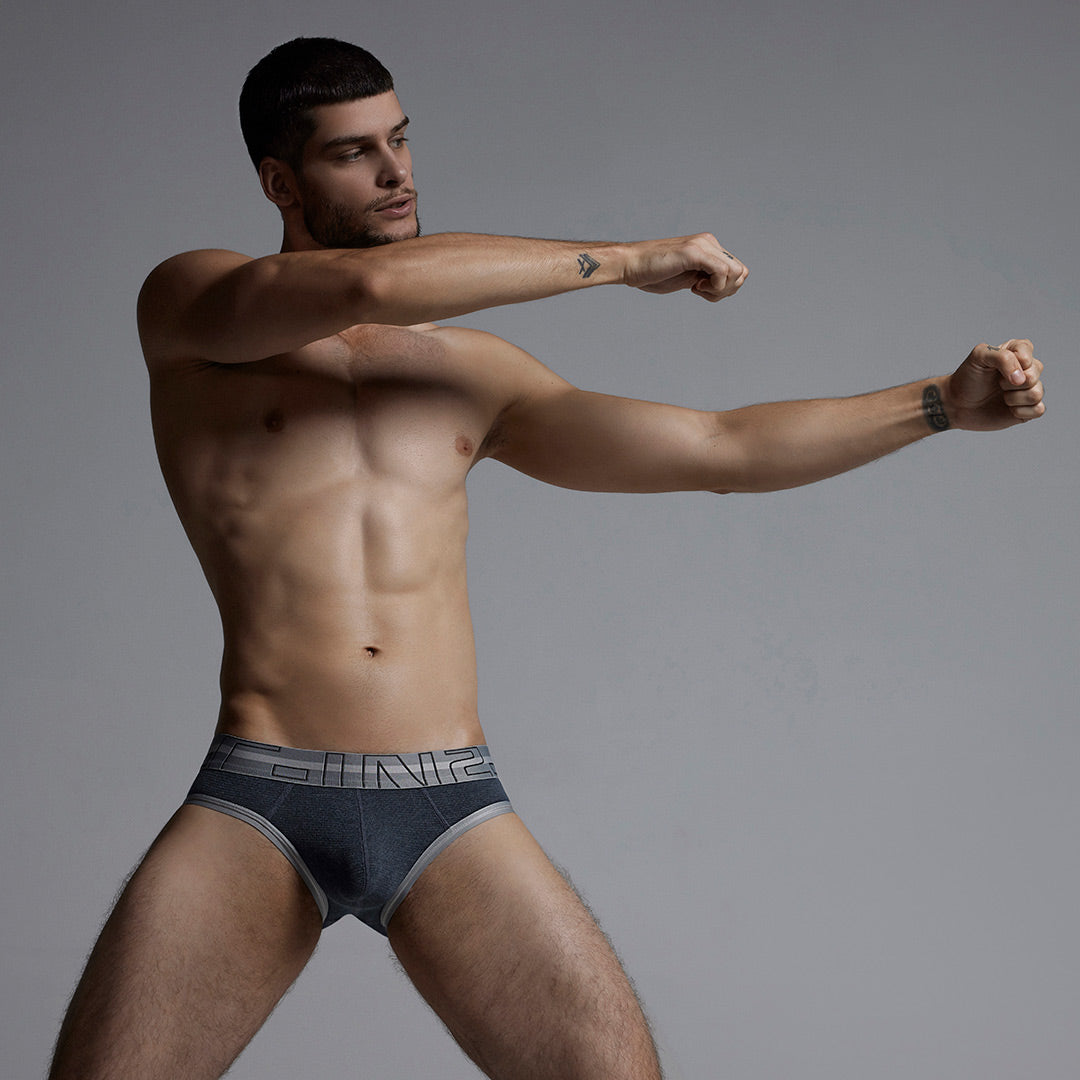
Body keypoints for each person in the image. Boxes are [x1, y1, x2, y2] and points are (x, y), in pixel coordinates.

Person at [49, 36, 1045, 1080]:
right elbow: (368, 285)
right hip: (261, 795)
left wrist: (938, 405)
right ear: (279, 183)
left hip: (445, 800)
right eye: (353, 153)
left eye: (400, 140)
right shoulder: (192, 309)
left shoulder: (474, 375)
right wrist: (624, 261)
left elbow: (722, 449)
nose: (396, 173)